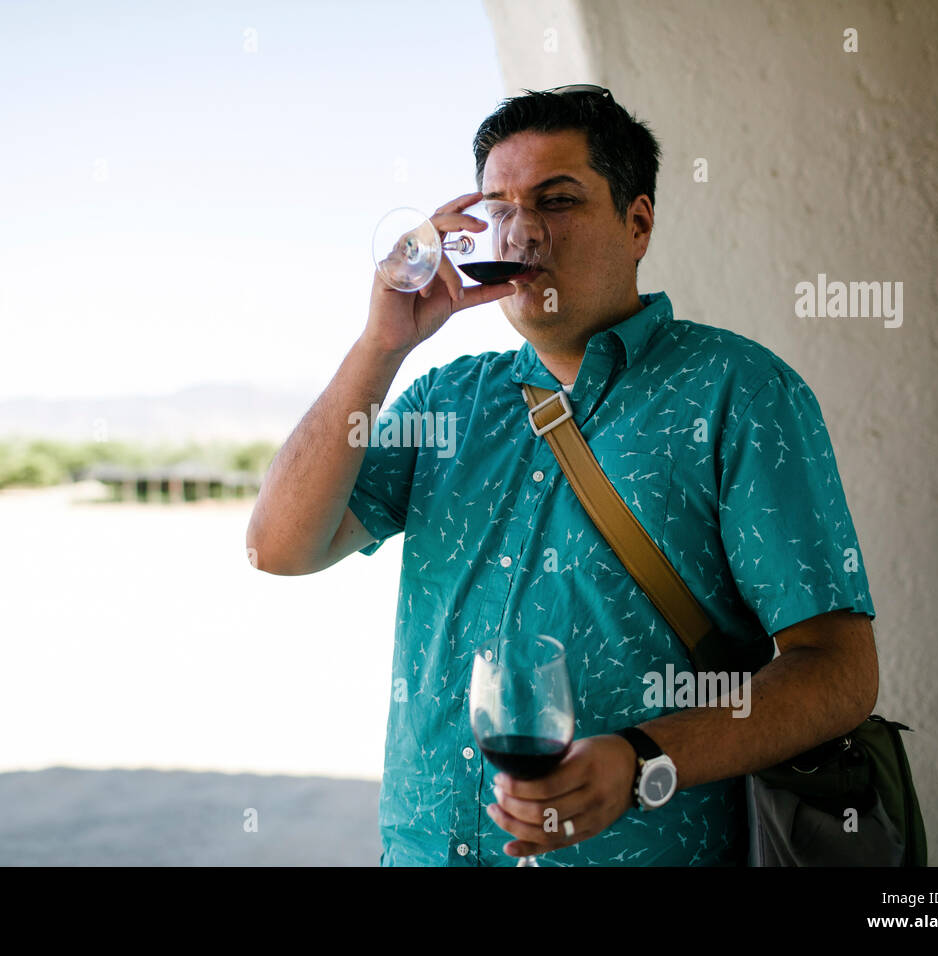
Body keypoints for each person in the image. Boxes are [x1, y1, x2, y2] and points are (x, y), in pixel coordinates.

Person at [246, 86, 878, 866]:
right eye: (500, 207)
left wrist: (644, 757)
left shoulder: (738, 391)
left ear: (638, 222)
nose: (524, 231)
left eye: (558, 200)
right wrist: (381, 345)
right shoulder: (448, 398)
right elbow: (277, 547)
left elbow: (839, 672)